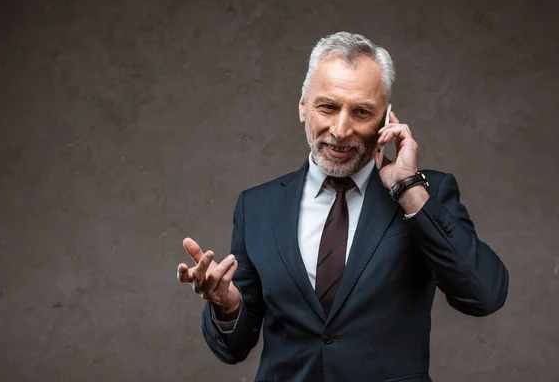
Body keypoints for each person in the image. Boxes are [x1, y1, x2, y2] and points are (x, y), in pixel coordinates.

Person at [176, 32, 509, 382]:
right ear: (303, 106)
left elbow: (484, 294)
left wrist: (408, 188)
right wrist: (227, 305)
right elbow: (232, 349)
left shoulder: (428, 193)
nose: (341, 128)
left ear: (387, 118)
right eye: (328, 106)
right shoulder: (257, 206)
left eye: (362, 111)